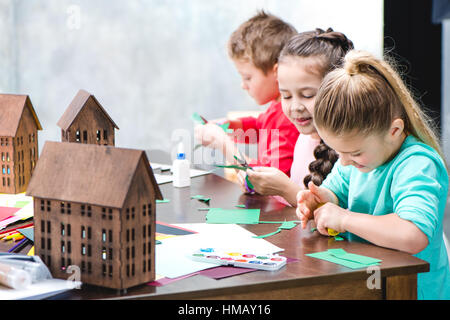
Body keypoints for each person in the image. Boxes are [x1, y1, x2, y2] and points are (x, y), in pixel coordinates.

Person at [296, 50, 450, 299]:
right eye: (338, 151)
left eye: (354, 152)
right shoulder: (358, 161)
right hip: (368, 286)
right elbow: (337, 192)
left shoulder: (418, 163)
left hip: (410, 291)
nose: (343, 162)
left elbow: (413, 234)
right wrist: (322, 200)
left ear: (394, 130)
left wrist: (343, 219)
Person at [246, 28, 352, 206]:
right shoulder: (303, 138)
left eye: (308, 95)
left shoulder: (352, 151)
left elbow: (334, 217)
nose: (295, 107)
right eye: (285, 96)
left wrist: (285, 189)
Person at [194, 10, 299, 188]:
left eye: (248, 77)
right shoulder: (277, 108)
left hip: (278, 211)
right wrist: (231, 126)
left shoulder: (289, 118)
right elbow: (262, 125)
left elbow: (262, 184)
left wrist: (225, 146)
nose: (243, 85)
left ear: (277, 72)